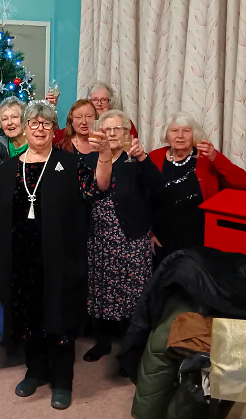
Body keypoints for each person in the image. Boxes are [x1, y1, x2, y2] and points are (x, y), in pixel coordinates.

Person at [0, 100, 113, 410]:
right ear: (25, 129)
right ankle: (36, 371)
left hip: (60, 260)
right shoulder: (6, 170)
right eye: (34, 123)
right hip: (20, 261)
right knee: (28, 318)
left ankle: (62, 380)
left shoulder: (69, 165)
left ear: (54, 130)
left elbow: (98, 187)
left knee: (59, 319)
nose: (39, 129)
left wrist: (105, 155)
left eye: (46, 124)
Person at [82, 109, 161, 368]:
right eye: (107, 129)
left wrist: (144, 158)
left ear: (127, 133)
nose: (112, 134)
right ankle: (102, 341)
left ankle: (132, 345)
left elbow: (158, 189)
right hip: (98, 238)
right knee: (101, 290)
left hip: (131, 236)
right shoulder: (90, 160)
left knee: (133, 292)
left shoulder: (135, 160)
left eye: (118, 129)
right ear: (99, 132)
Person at [149, 112, 246, 267]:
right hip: (162, 239)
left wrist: (216, 157)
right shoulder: (154, 157)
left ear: (194, 135)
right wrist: (150, 233)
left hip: (198, 239)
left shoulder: (206, 157)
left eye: (186, 131)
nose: (180, 136)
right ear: (167, 135)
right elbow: (141, 197)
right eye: (174, 131)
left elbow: (243, 183)